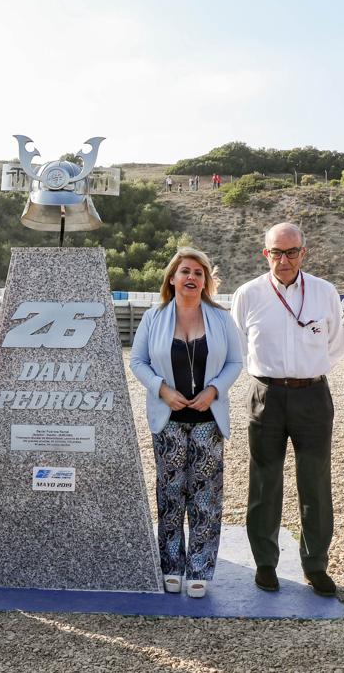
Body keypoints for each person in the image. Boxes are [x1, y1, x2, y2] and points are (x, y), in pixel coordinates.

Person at [230, 222, 344, 596]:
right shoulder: (249, 294)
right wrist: (274, 376)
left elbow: (334, 345)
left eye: (291, 251)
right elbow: (239, 345)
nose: (283, 259)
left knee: (315, 481)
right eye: (275, 252)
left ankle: (315, 564)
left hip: (312, 394)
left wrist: (303, 373)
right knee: (265, 481)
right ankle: (265, 562)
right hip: (266, 394)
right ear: (265, 253)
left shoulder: (325, 292)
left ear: (303, 253)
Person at [130, 247, 243, 598]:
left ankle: (200, 567)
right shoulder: (154, 316)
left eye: (198, 272)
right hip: (169, 420)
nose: (191, 277)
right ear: (172, 278)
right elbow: (138, 361)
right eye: (185, 272)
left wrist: (214, 390)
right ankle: (171, 565)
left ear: (205, 280)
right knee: (170, 494)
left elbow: (236, 363)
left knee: (206, 496)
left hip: (208, 420)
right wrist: (162, 390)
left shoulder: (221, 318)